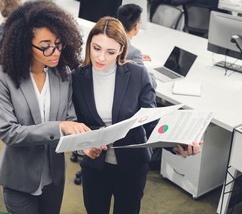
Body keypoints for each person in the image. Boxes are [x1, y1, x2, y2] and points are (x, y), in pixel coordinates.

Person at [72, 16, 202, 214]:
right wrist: (86, 144)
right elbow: (75, 123)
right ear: (89, 43)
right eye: (96, 48)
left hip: (132, 167)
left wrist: (177, 145)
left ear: (122, 50)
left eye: (110, 52)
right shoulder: (77, 77)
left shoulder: (137, 74)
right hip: (95, 167)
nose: (101, 58)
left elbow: (151, 122)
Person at [0, 0, 90, 214]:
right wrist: (58, 127)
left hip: (54, 179)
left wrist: (84, 145)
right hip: (19, 180)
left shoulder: (62, 74)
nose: (55, 52)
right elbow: (9, 133)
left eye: (59, 43)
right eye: (45, 46)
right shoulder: (1, 76)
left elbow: (70, 122)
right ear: (25, 44)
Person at [117, 3, 157, 89]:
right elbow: (150, 84)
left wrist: (135, 60)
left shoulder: (108, 41)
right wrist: (148, 72)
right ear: (137, 26)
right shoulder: (133, 52)